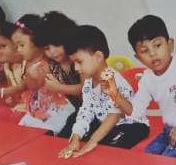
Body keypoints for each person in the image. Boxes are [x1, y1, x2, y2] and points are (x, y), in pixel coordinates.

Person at [113, 14, 176, 158]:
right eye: (145, 51)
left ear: (170, 45)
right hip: (169, 130)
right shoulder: (147, 79)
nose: (153, 53)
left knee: (168, 159)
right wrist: (115, 95)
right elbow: (135, 112)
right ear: (138, 57)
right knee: (148, 157)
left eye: (157, 45)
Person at [58, 24, 149, 157]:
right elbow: (86, 110)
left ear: (98, 56)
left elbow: (114, 115)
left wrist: (92, 141)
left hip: (130, 124)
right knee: (74, 119)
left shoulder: (114, 80)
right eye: (74, 63)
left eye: (79, 62)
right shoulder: (88, 83)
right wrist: (76, 137)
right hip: (104, 122)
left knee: (108, 148)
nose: (76, 68)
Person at [13, 14, 75, 134]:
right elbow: (32, 87)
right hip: (48, 107)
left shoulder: (71, 63)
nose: (52, 51)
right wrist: (30, 76)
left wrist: (59, 87)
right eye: (47, 48)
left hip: (65, 108)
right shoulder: (45, 64)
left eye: (21, 45)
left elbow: (82, 90)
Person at [0, 20, 28, 113]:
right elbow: (12, 88)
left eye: (3, 46)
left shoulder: (28, 64)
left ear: (16, 43)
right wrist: (11, 99)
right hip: (19, 106)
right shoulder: (7, 65)